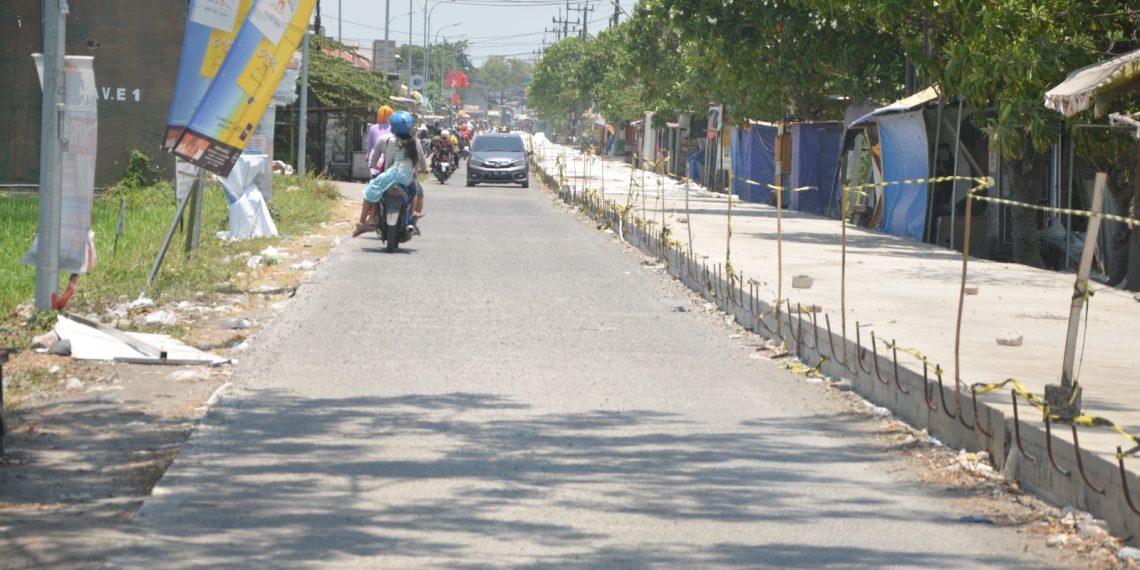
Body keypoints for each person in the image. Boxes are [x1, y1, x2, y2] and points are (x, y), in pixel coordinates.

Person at [353, 111, 428, 238]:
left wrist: (386, 174)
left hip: (395, 173)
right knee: (415, 191)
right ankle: (412, 217)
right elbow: (421, 159)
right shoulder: (415, 141)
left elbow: (389, 162)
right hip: (408, 177)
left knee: (370, 189)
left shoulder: (391, 141)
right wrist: (424, 170)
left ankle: (365, 221)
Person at [365, 105, 394, 177]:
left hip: (375, 161)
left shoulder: (373, 128)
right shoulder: (394, 128)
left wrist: (368, 156)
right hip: (389, 162)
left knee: (374, 183)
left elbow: (369, 146)